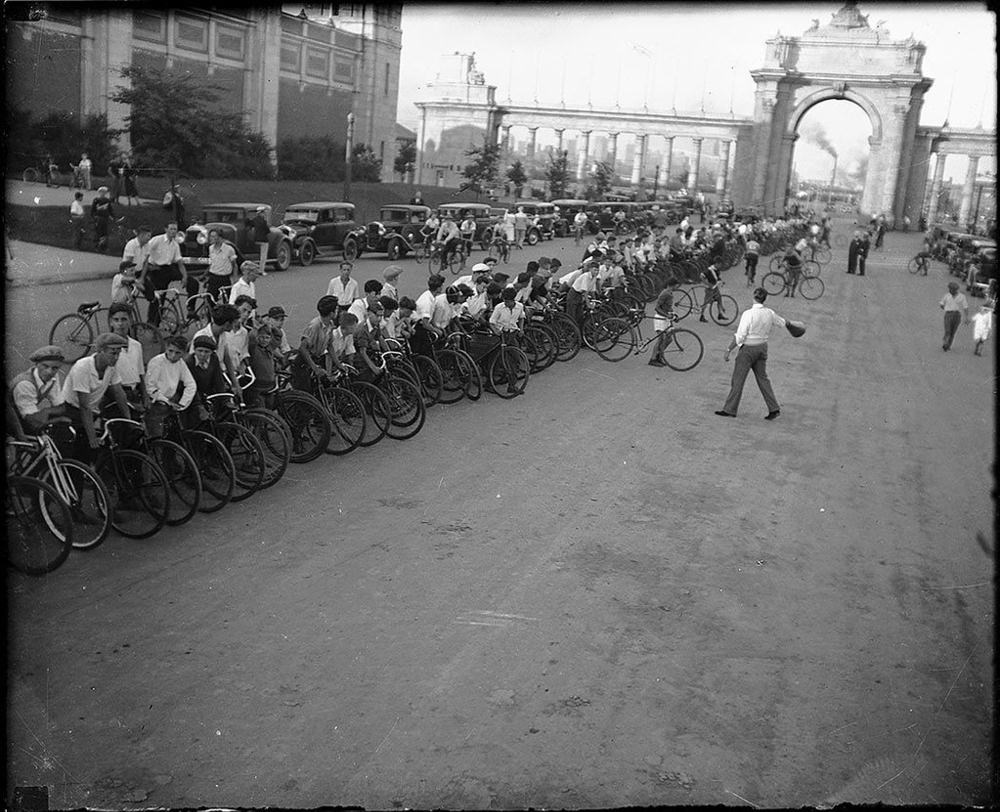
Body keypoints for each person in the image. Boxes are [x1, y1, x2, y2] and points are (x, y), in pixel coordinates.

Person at [715, 288, 786, 420]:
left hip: (748, 349)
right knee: (763, 378)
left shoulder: (748, 314)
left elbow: (740, 336)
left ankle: (730, 409)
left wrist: (729, 349)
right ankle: (774, 408)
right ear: (765, 299)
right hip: (762, 348)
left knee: (738, 379)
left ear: (754, 296)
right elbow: (782, 323)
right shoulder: (769, 313)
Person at [61, 332, 131, 459]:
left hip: (91, 410)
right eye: (113, 353)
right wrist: (92, 437)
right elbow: (84, 406)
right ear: (100, 351)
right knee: (80, 450)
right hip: (72, 410)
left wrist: (129, 419)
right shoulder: (82, 367)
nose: (116, 357)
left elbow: (119, 393)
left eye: (119, 353)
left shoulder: (111, 367)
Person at [141, 222, 196, 325]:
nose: (173, 231)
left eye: (175, 229)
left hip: (169, 269)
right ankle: (153, 322)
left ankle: (190, 308)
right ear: (166, 229)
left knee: (193, 282)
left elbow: (180, 263)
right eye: (171, 229)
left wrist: (184, 277)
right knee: (158, 298)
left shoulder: (175, 244)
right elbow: (145, 254)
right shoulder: (157, 240)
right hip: (156, 270)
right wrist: (147, 268)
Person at [144, 335, 197, 437]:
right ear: (166, 348)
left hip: (172, 402)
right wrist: (166, 401)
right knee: (157, 436)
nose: (173, 356)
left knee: (174, 435)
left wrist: (183, 403)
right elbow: (150, 387)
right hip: (157, 403)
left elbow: (191, 384)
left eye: (178, 353)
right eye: (170, 351)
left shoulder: (181, 363)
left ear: (183, 353)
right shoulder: (156, 362)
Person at [189, 303, 243, 401]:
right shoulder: (201, 337)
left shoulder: (223, 335)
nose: (235, 326)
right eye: (234, 323)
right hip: (204, 380)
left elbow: (227, 358)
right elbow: (192, 365)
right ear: (227, 324)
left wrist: (236, 383)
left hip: (220, 376)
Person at [11, 345, 67, 433]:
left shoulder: (53, 377)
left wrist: (48, 412)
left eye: (55, 368)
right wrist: (56, 418)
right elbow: (32, 421)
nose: (49, 372)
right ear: (36, 364)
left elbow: (59, 404)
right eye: (45, 366)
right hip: (13, 422)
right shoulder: (25, 384)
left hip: (26, 416)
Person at [292, 295, 341, 390]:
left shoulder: (330, 324)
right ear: (331, 313)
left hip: (316, 359)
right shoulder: (315, 326)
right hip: (304, 362)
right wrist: (315, 368)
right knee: (306, 392)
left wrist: (338, 364)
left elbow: (329, 345)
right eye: (336, 309)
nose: (337, 312)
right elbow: (303, 348)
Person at [107, 303, 148, 410]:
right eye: (116, 320)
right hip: (115, 395)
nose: (120, 324)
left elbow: (140, 373)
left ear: (130, 320)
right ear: (111, 322)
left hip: (134, 393)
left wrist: (145, 396)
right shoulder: (106, 346)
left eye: (124, 319)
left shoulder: (136, 345)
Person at [647, 282, 678, 368]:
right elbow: (657, 308)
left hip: (666, 319)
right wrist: (666, 315)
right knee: (661, 339)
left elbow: (668, 307)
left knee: (669, 339)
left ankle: (659, 354)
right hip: (660, 318)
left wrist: (673, 314)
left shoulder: (670, 293)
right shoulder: (664, 293)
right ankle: (653, 359)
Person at [206, 228, 239, 302]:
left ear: (220, 237)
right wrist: (205, 275)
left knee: (227, 300)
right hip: (213, 277)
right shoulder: (210, 248)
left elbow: (235, 265)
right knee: (211, 300)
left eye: (214, 236)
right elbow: (212, 263)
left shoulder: (229, 249)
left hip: (224, 278)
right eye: (211, 236)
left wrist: (235, 278)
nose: (211, 238)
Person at [939, 281, 969, 351]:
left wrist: (966, 317)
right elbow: (941, 304)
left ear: (955, 290)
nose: (950, 290)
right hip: (948, 314)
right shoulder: (947, 296)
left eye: (952, 289)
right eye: (950, 289)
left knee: (953, 332)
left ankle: (949, 345)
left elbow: (965, 307)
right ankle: (945, 343)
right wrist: (946, 308)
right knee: (947, 330)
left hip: (957, 315)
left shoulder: (962, 297)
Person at [91, 186, 114, 252]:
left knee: (104, 232)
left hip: (105, 218)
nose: (103, 193)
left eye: (104, 192)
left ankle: (103, 246)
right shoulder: (96, 200)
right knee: (98, 232)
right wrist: (93, 216)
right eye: (101, 192)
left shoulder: (107, 201)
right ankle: (96, 245)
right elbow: (93, 210)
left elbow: (110, 209)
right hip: (98, 218)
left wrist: (112, 216)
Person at [248, 205, 270, 272]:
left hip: (256, 239)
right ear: (261, 213)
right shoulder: (263, 221)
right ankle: (261, 270)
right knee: (263, 256)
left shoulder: (254, 220)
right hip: (263, 240)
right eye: (263, 212)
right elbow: (267, 230)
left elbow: (250, 224)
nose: (264, 214)